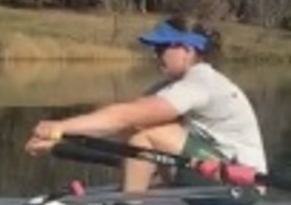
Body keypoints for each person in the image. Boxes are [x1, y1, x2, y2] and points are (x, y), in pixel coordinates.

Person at [24, 15, 267, 192]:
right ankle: (133, 202)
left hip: (241, 184)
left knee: (149, 136)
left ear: (186, 49)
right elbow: (119, 126)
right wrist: (60, 141)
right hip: (207, 173)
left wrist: (59, 126)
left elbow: (124, 116)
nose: (154, 54)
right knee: (142, 135)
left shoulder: (201, 80)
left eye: (161, 48)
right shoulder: (170, 89)